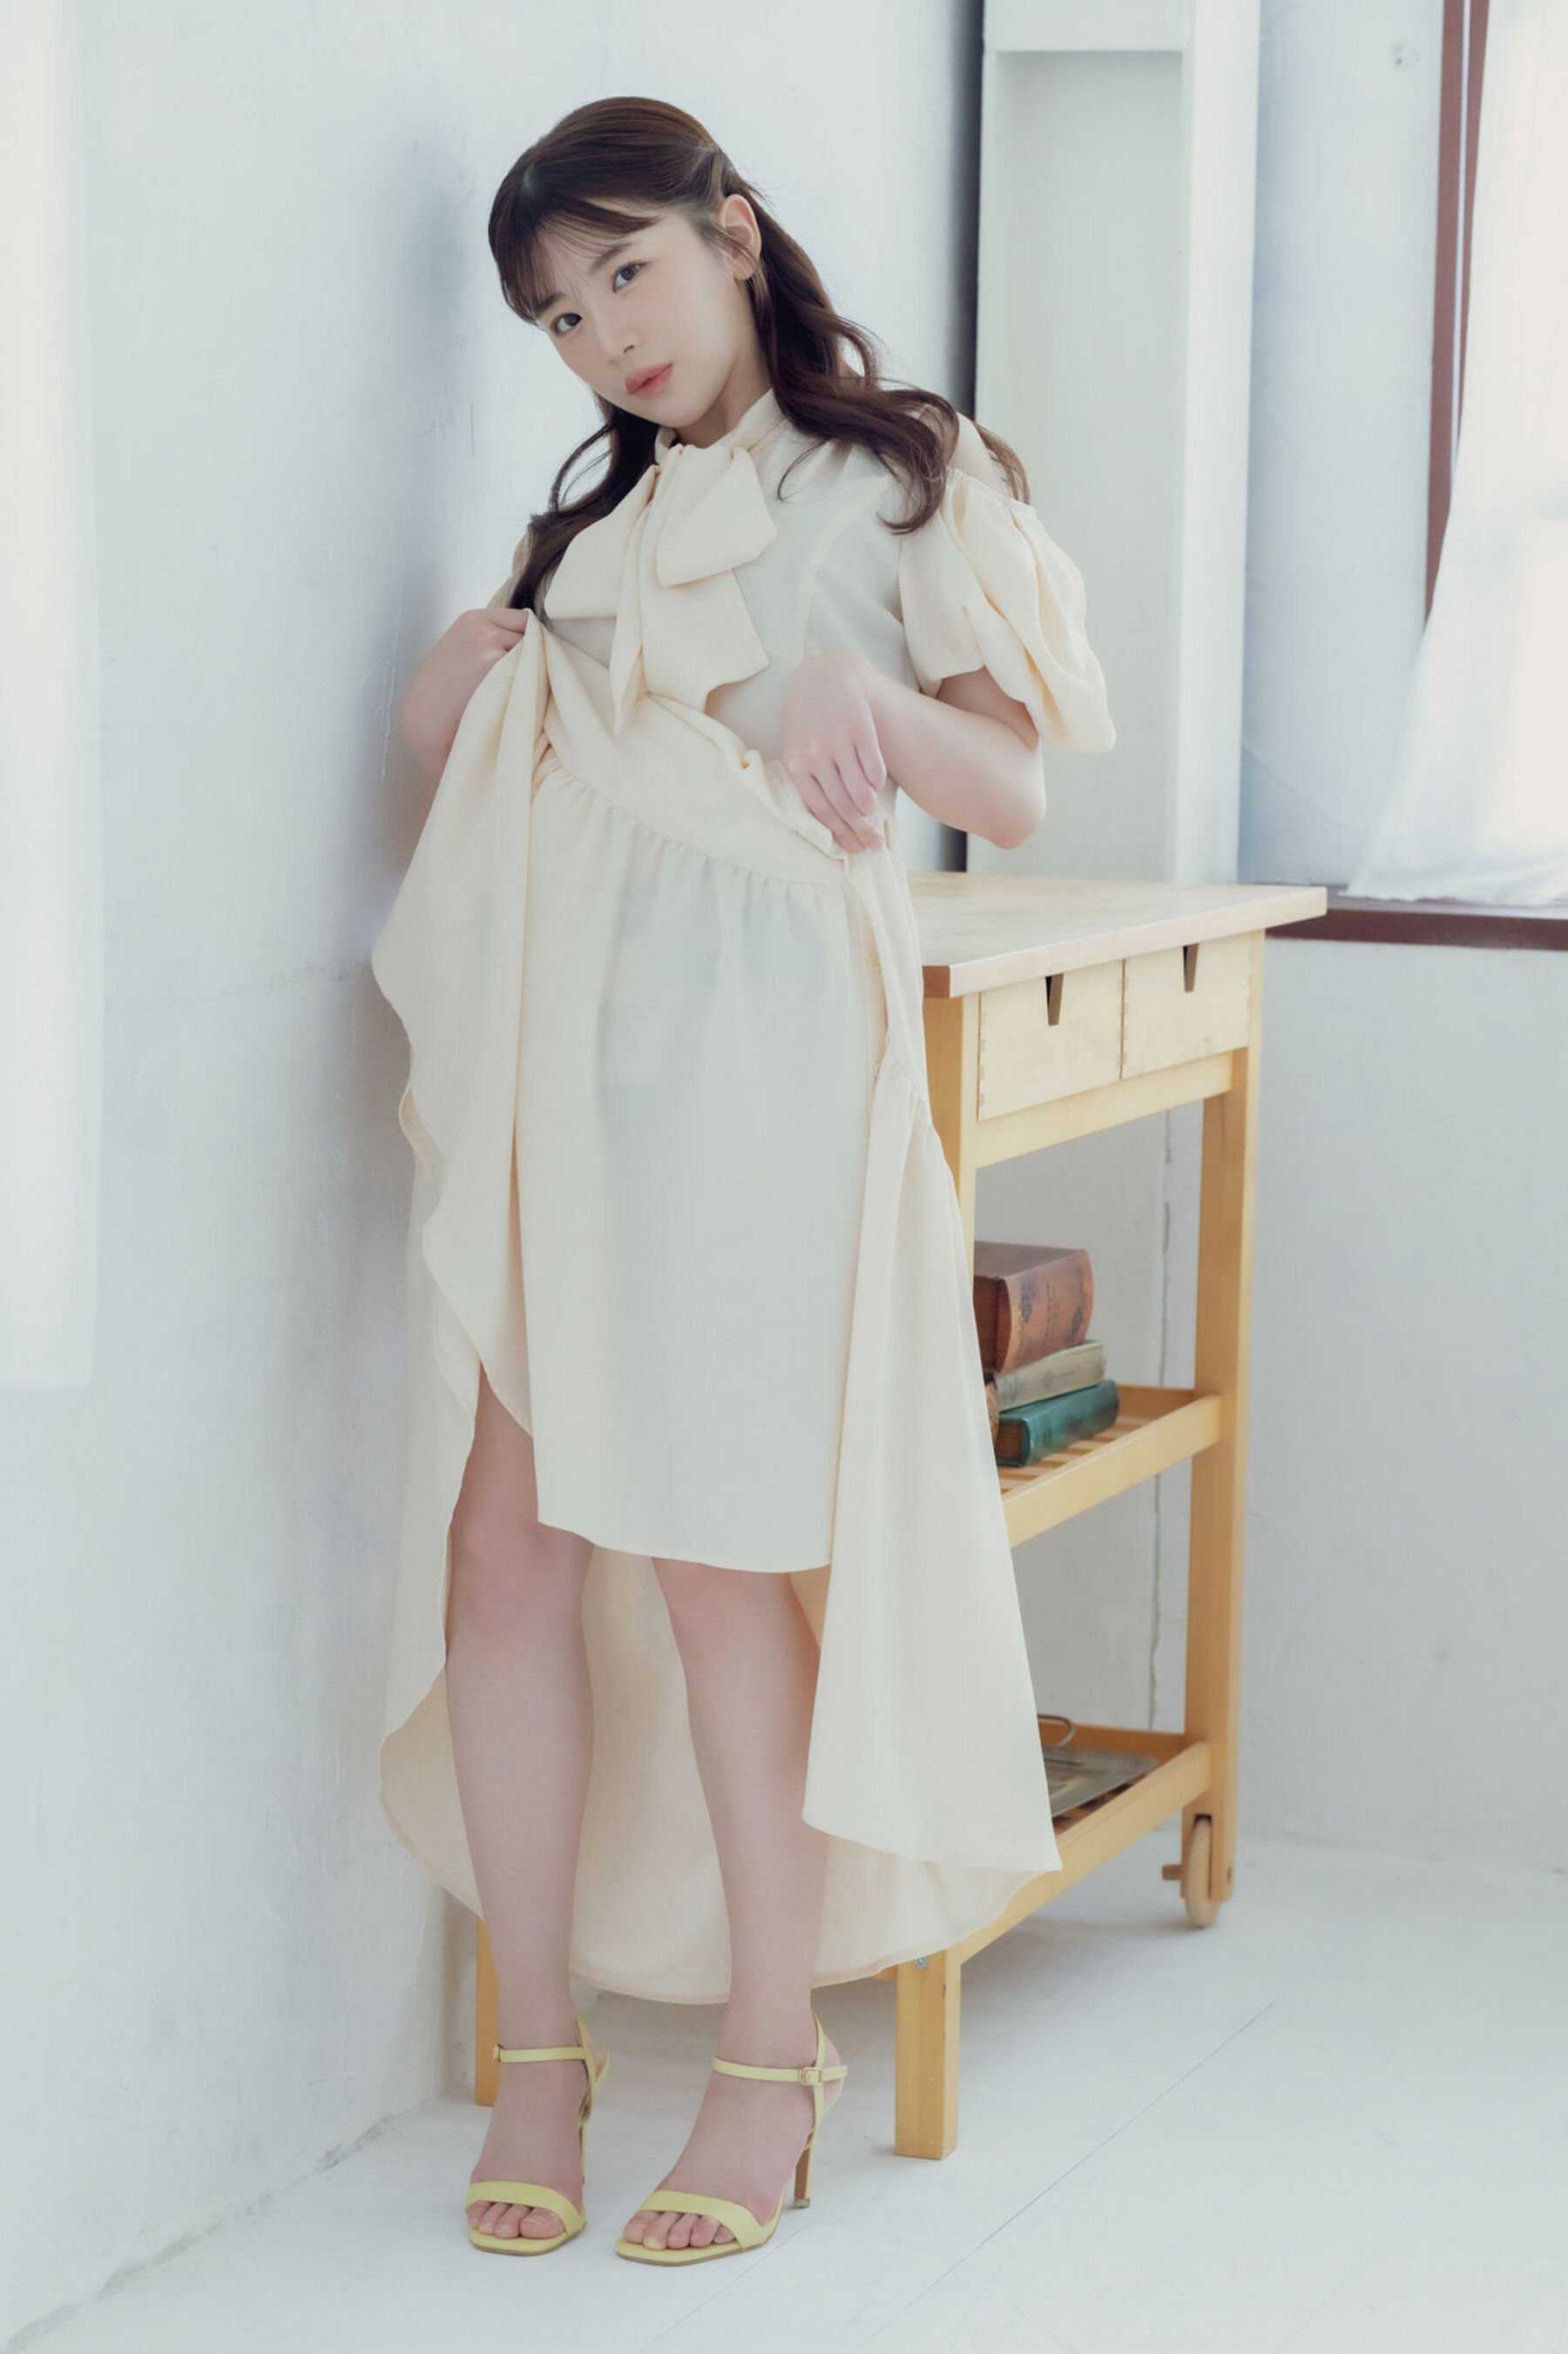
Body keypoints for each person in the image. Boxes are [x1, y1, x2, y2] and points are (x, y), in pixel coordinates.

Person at [372, 94, 1115, 2266]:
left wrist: (853, 692)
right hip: (562, 1052)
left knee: (716, 1559)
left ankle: (771, 2066)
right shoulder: (594, 527)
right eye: (557, 314)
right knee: (502, 1541)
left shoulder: (902, 473)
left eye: (628, 270)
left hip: (763, 1057)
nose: (604, 334)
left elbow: (1017, 786)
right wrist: (453, 689)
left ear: (734, 231)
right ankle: (540, 2050)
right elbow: (516, 770)